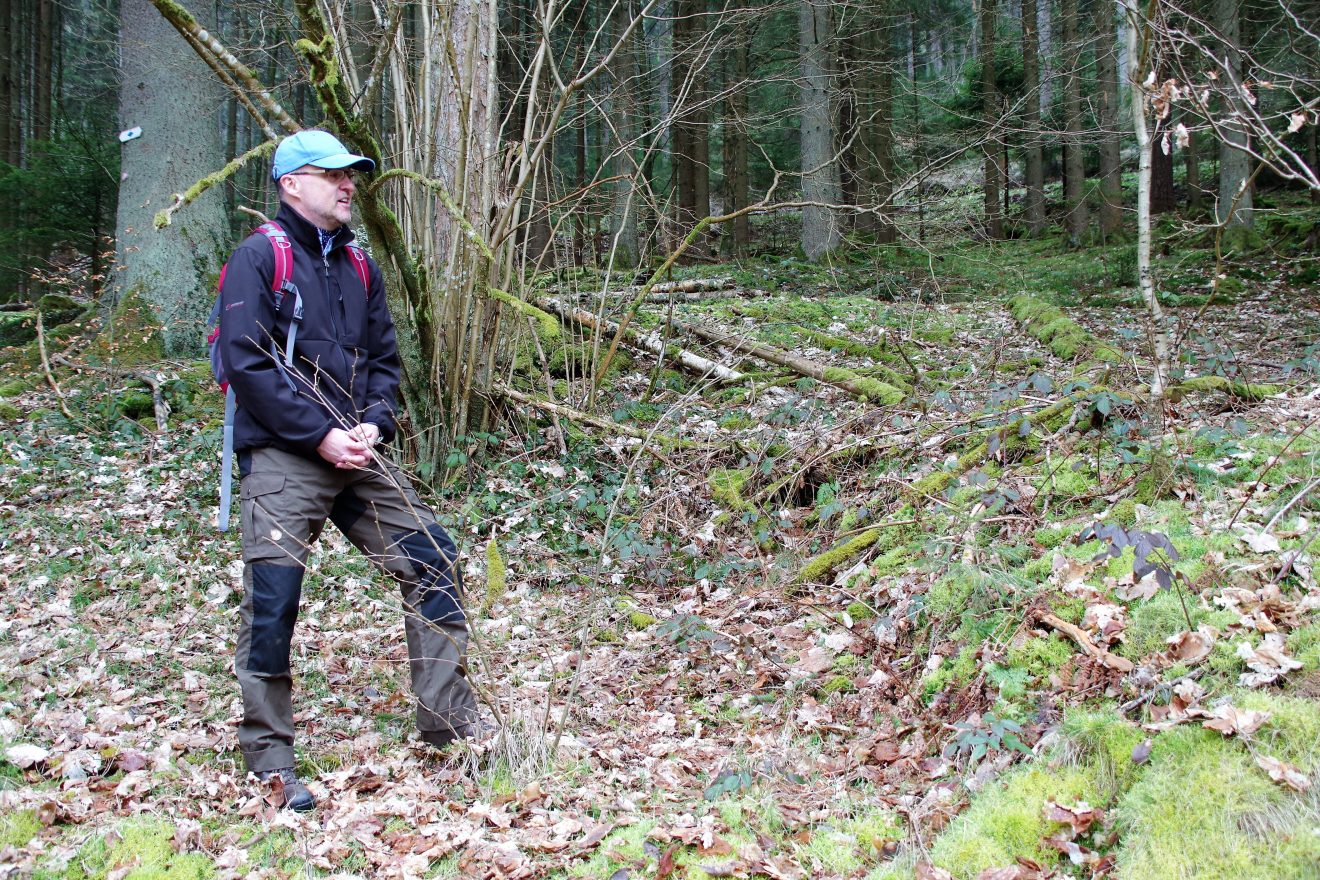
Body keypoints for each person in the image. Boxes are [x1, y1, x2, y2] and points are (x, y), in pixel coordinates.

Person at [217, 130, 480, 812]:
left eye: (351, 176)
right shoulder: (257, 258)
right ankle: (271, 761)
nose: (347, 185)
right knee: (273, 602)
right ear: (289, 185)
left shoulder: (360, 266)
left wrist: (373, 422)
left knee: (434, 561)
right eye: (330, 173)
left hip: (357, 457)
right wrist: (319, 435)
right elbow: (245, 364)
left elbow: (385, 362)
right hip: (283, 457)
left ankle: (450, 728)